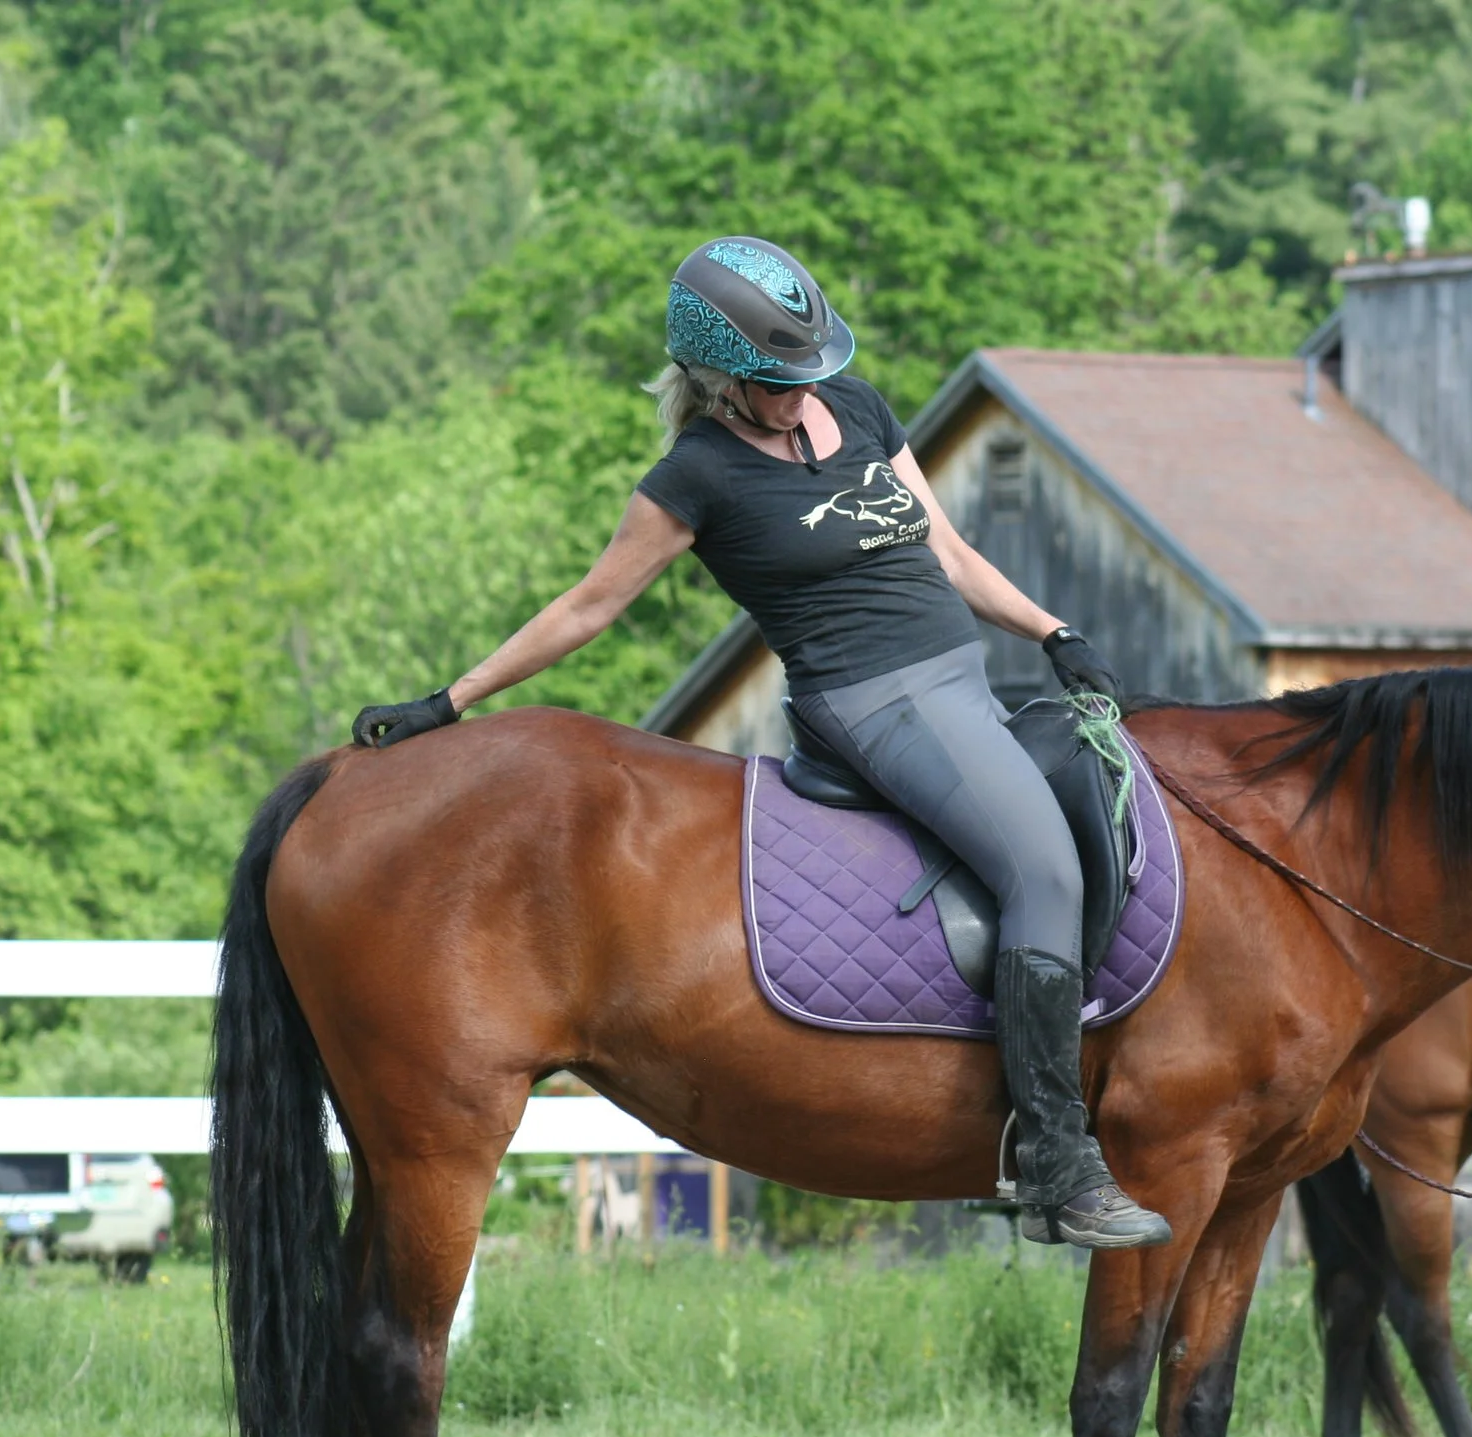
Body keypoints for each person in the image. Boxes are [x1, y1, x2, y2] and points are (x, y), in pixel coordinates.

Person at [350, 236, 1172, 1251]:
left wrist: (1051, 631)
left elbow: (947, 550)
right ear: (711, 380)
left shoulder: (860, 406)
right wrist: (451, 698)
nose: (797, 397)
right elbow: (587, 607)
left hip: (963, 681)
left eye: (806, 376)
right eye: (772, 385)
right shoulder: (694, 476)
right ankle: (1053, 1160)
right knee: (1044, 869)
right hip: (871, 703)